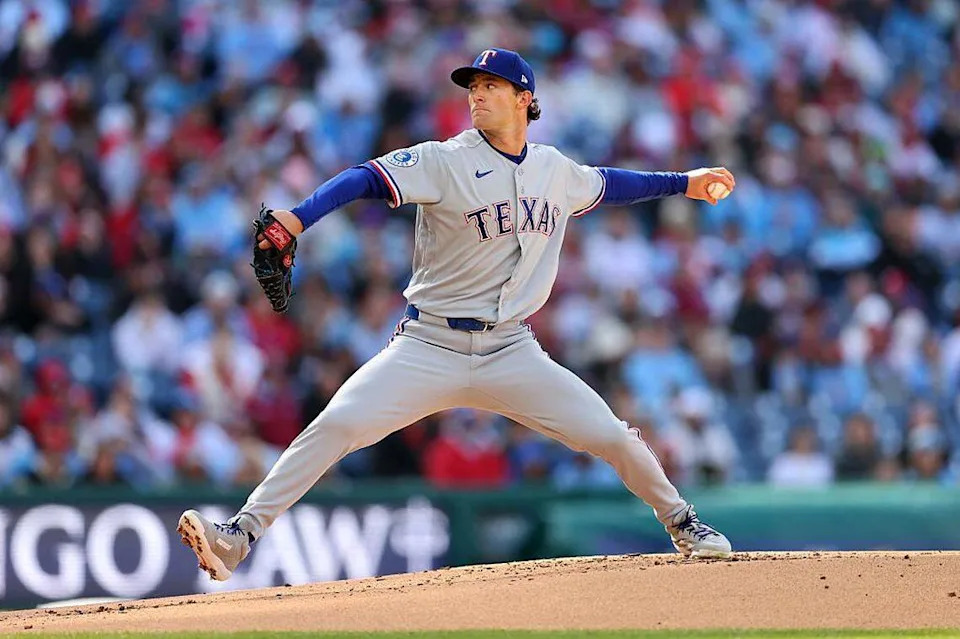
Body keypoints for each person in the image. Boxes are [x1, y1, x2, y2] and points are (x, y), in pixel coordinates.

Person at [177, 48, 734, 581]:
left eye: (490, 86)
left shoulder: (552, 168)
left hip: (513, 350)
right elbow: (366, 178)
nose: (477, 96)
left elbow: (612, 184)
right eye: (473, 87)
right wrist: (298, 218)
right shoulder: (445, 159)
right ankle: (239, 535)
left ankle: (683, 524)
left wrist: (685, 183)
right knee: (338, 424)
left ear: (525, 99)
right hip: (429, 345)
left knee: (612, 436)